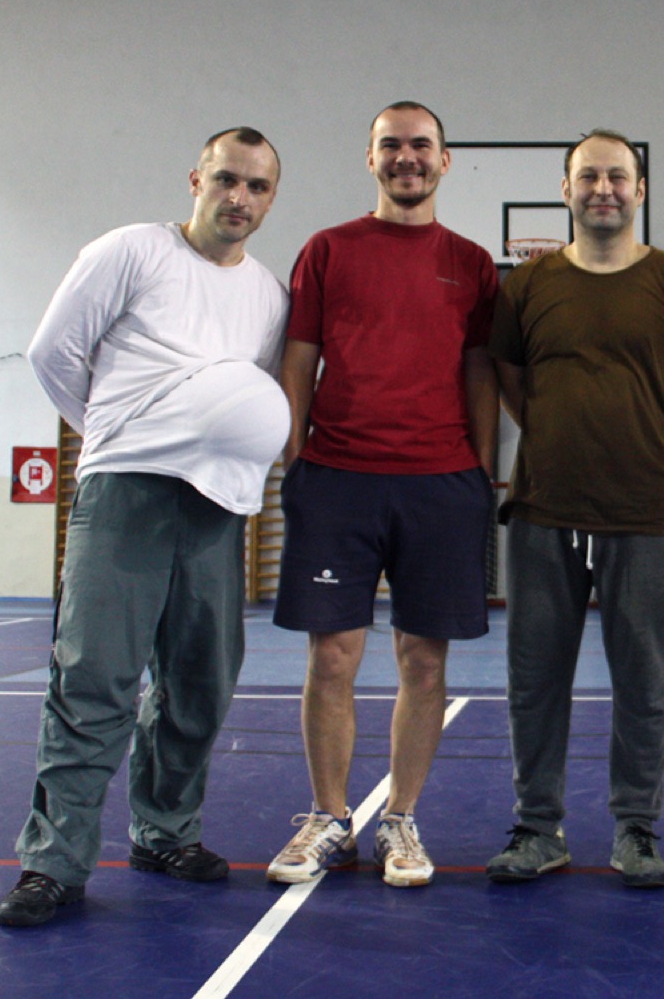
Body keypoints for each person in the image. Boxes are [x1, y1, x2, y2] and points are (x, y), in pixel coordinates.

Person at [0, 128, 290, 927]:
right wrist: (114, 436)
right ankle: (53, 864)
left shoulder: (269, 296)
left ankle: (165, 834)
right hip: (126, 493)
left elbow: (250, 389)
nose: (239, 198)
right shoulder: (131, 251)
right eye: (227, 179)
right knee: (94, 679)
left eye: (257, 186)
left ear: (271, 199)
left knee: (201, 681)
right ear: (197, 179)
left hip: (217, 506)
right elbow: (52, 353)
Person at [266, 102, 499, 889]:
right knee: (332, 656)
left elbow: (480, 371)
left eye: (421, 145)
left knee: (423, 660)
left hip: (441, 485)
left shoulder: (472, 263)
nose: (407, 157)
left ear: (445, 160)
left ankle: (400, 817)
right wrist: (298, 459)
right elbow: (299, 357)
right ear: (370, 158)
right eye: (391, 145)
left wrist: (480, 469)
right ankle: (329, 818)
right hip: (338, 482)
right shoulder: (328, 250)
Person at [486, 129, 664, 888]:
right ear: (566, 189)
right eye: (588, 176)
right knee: (534, 680)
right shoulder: (526, 285)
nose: (604, 189)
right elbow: (508, 377)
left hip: (644, 510)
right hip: (542, 508)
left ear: (640, 190)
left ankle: (637, 830)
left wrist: (639, 436)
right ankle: (537, 827)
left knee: (643, 683)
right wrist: (556, 435)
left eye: (618, 176)